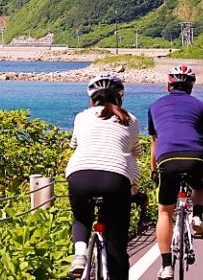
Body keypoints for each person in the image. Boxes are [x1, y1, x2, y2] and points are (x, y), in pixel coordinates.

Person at [65, 74, 142, 279]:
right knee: (116, 241)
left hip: (79, 175)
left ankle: (80, 255)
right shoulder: (131, 120)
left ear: (91, 100)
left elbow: (74, 145)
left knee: (81, 218)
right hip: (115, 179)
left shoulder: (81, 117)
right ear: (120, 99)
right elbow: (136, 152)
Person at [148, 64, 203, 280]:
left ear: (169, 84)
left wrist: (153, 170)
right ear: (191, 87)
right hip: (195, 157)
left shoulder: (154, 106)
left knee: (165, 212)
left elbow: (155, 142)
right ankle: (197, 216)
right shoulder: (202, 106)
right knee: (201, 184)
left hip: (167, 159)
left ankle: (167, 265)